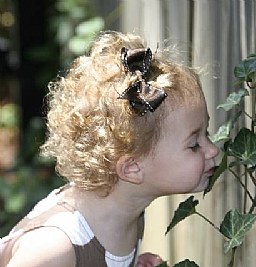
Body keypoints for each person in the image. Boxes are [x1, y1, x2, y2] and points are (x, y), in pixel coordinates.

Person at [0, 31, 219, 267]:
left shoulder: (128, 211)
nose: (213, 150)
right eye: (194, 144)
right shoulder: (54, 248)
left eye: (205, 134)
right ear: (132, 168)